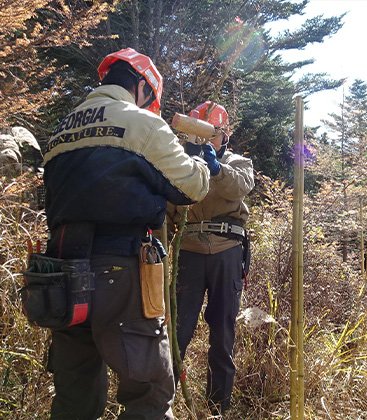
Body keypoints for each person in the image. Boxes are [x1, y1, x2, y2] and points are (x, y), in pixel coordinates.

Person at [41, 48, 210, 419]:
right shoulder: (143, 125)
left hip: (60, 274)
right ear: (143, 87)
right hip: (120, 271)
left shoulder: (61, 130)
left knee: (75, 395)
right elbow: (191, 188)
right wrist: (203, 162)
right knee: (148, 390)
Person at [171, 101, 254, 415]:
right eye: (202, 133)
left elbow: (240, 187)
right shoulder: (181, 163)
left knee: (222, 331)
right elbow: (168, 210)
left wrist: (217, 170)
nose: (208, 139)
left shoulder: (238, 162)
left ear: (225, 134)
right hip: (188, 253)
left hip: (226, 251)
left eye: (214, 133)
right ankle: (163, 399)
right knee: (179, 330)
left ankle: (218, 405)